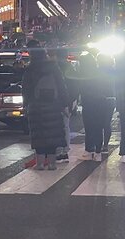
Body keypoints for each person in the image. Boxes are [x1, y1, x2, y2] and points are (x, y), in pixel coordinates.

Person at [22, 41, 68, 170]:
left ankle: (40, 163)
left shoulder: (30, 68)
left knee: (38, 135)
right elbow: (61, 86)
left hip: (36, 106)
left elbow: (26, 89)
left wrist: (26, 105)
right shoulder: (54, 66)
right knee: (52, 135)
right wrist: (64, 104)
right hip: (53, 105)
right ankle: (52, 163)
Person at [78, 53, 107, 161]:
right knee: (99, 127)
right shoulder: (100, 72)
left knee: (89, 127)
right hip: (101, 102)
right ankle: (98, 151)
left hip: (88, 103)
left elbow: (81, 89)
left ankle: (89, 150)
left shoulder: (83, 74)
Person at [54, 48, 79, 163]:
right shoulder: (71, 68)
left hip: (57, 101)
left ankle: (59, 152)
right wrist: (73, 102)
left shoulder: (54, 68)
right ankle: (64, 151)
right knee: (65, 126)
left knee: (57, 127)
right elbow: (75, 87)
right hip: (68, 102)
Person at [96, 53, 116, 154]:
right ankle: (105, 145)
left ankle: (99, 145)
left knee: (99, 122)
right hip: (111, 98)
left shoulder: (98, 71)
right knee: (107, 123)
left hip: (100, 98)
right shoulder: (113, 71)